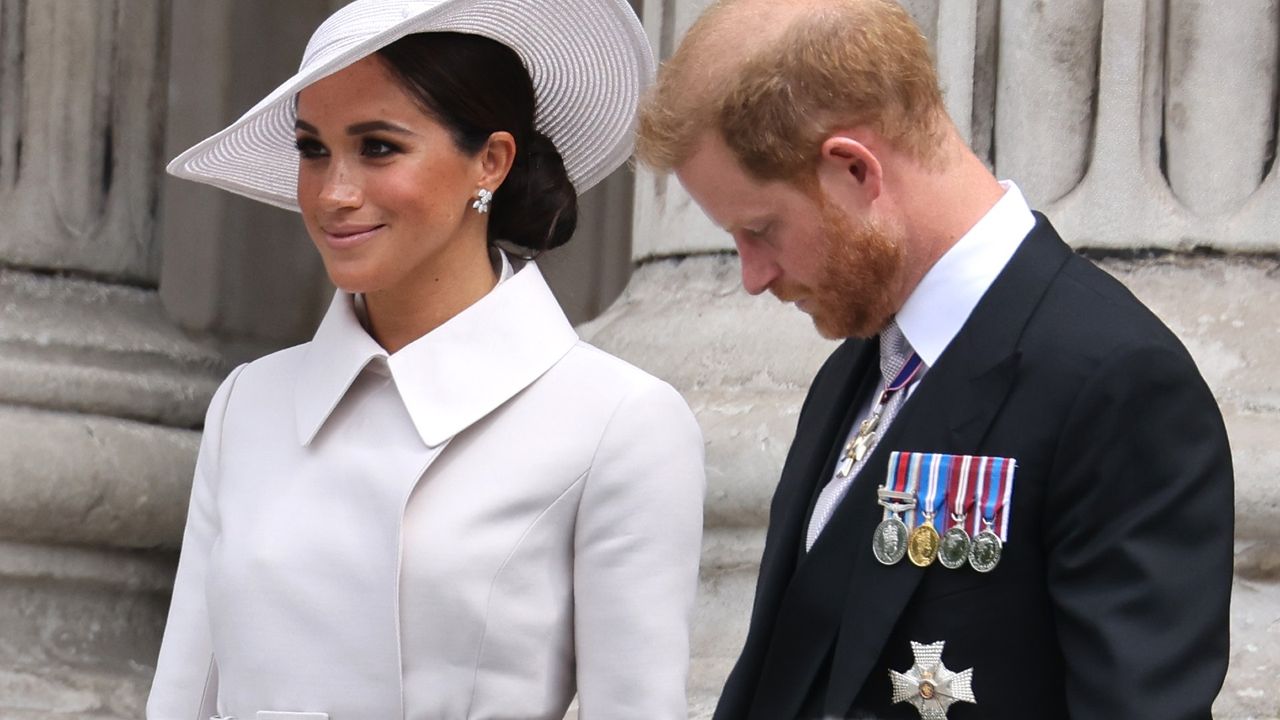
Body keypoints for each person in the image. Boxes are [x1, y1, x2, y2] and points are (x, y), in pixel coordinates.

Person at [636, 1, 1233, 718]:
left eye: (761, 230)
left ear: (854, 169)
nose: (753, 275)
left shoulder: (1116, 381)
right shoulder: (859, 369)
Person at [147, 1, 706, 718]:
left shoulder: (620, 423)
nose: (335, 193)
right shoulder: (248, 404)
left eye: (378, 146)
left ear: (491, 161)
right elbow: (183, 697)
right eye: (313, 149)